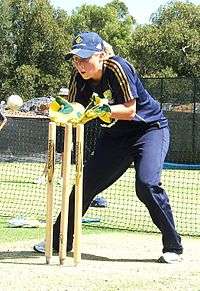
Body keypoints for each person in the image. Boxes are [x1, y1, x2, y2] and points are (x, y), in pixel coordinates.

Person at [34, 31, 183, 263]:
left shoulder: (117, 68)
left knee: (146, 185)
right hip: (115, 137)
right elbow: (76, 106)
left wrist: (100, 111)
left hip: (149, 130)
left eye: (85, 58)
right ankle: (59, 240)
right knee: (84, 185)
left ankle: (173, 246)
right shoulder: (77, 76)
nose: (80, 64)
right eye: (76, 59)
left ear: (101, 55)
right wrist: (68, 112)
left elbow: (129, 110)